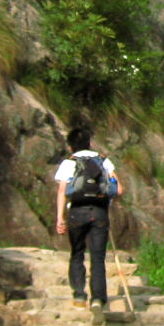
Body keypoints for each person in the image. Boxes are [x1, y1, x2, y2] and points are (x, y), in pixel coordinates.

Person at [53, 125, 122, 315]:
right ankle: (98, 300)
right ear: (90, 143)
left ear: (70, 147)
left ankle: (79, 296)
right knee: (98, 258)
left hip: (77, 213)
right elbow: (119, 189)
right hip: (99, 213)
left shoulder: (69, 163)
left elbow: (62, 192)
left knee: (77, 253)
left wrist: (60, 218)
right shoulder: (103, 162)